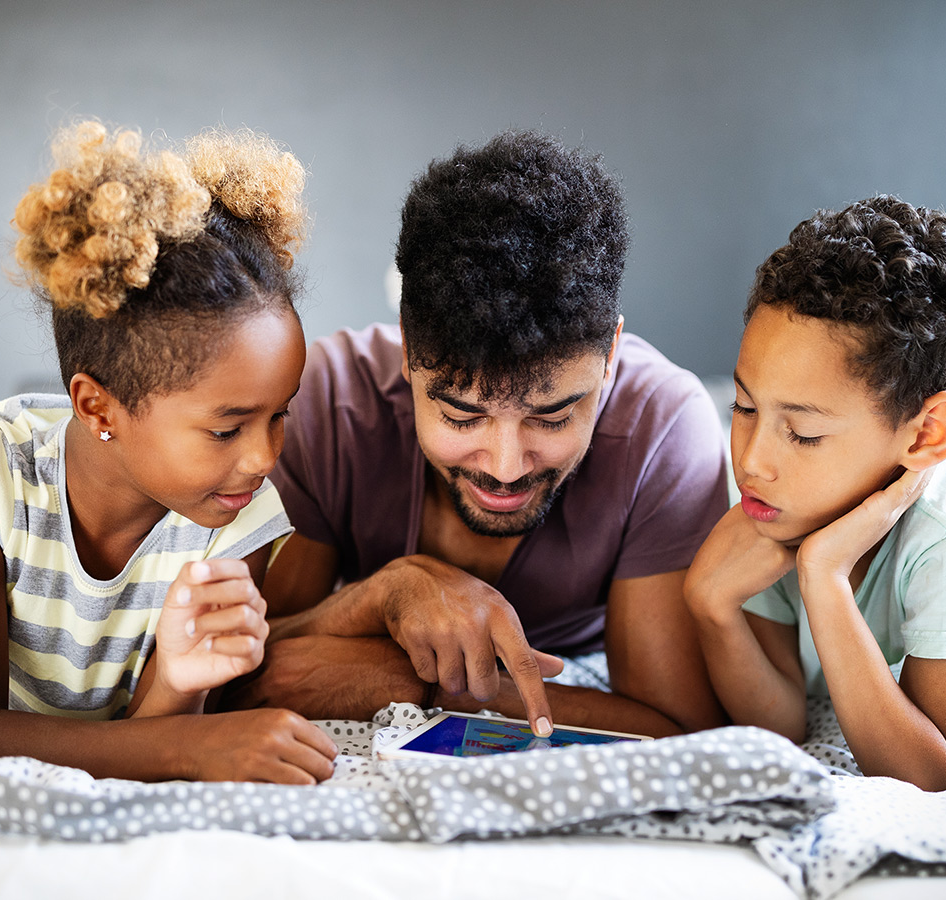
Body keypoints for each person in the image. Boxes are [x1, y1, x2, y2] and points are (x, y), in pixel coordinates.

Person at [224, 131, 731, 738]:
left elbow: (675, 724)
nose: (508, 466)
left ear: (610, 353)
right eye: (462, 417)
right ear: (408, 353)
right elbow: (249, 668)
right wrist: (384, 593)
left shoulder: (664, 426)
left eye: (552, 417)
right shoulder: (329, 405)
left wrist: (436, 685)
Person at [0, 120, 338, 784]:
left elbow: (146, 734)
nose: (264, 458)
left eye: (280, 415)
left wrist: (184, 682)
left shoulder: (238, 514)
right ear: (97, 407)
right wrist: (197, 748)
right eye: (228, 429)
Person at [684, 195, 946, 790]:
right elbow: (782, 725)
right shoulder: (776, 494)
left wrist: (825, 576)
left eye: (804, 434)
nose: (753, 460)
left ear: (926, 434)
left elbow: (934, 770)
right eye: (744, 407)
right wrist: (712, 609)